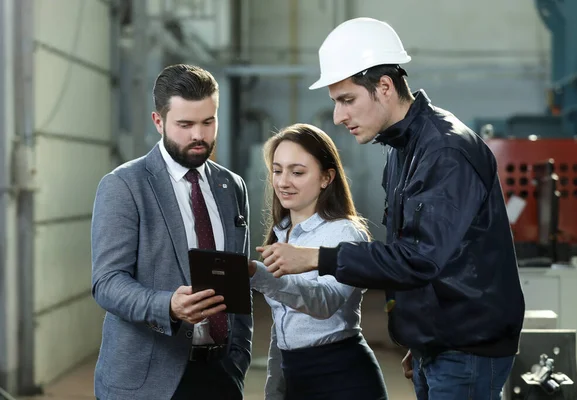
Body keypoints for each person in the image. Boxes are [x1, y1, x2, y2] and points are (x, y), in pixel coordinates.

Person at [258, 18, 525, 399]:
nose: (338, 116)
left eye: (346, 100)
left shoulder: (444, 151)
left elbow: (419, 258)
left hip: (466, 349)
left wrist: (317, 257)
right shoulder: (403, 150)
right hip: (439, 345)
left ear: (384, 86)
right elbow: (420, 254)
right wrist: (419, 338)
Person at [91, 64, 252, 400]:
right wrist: (168, 306)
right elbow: (107, 283)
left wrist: (238, 358)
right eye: (185, 124)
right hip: (148, 380)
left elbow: (239, 281)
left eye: (208, 122)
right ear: (158, 121)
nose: (199, 135)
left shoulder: (231, 186)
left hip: (220, 374)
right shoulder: (124, 185)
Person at [249, 123, 388, 400]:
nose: (283, 181)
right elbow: (283, 325)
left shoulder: (344, 232)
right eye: (277, 170)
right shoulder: (281, 232)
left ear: (327, 177)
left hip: (342, 378)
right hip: (294, 377)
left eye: (297, 172)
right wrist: (275, 389)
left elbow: (325, 303)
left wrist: (260, 275)